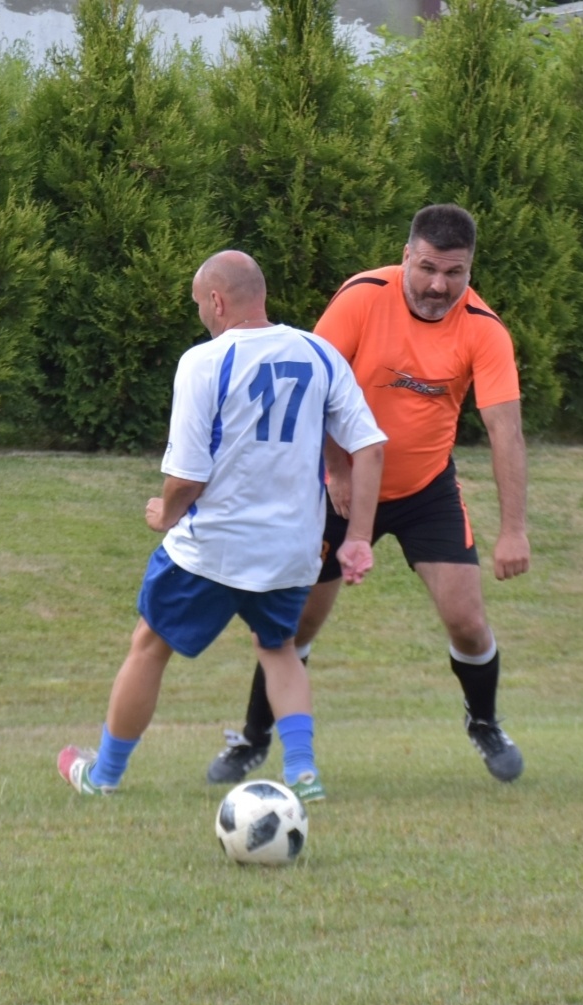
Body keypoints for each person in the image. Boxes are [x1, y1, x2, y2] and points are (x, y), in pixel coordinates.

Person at [204, 204, 531, 788]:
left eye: (454, 273)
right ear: (406, 255)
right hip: (340, 485)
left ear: (470, 270)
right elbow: (313, 388)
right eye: (428, 267)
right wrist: (336, 470)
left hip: (426, 488)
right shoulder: (361, 297)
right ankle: (252, 739)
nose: (439, 285)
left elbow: (506, 430)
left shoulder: (485, 329)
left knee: (467, 622)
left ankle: (484, 722)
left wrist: (514, 529)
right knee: (296, 624)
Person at [58, 250, 387, 800]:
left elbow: (186, 475)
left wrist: (165, 513)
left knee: (149, 646)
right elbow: (370, 446)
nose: (200, 316)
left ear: (216, 300)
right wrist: (357, 538)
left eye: (198, 305)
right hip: (290, 550)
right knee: (279, 649)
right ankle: (303, 776)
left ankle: (104, 775)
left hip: (211, 547)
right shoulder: (320, 353)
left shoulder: (204, 362)